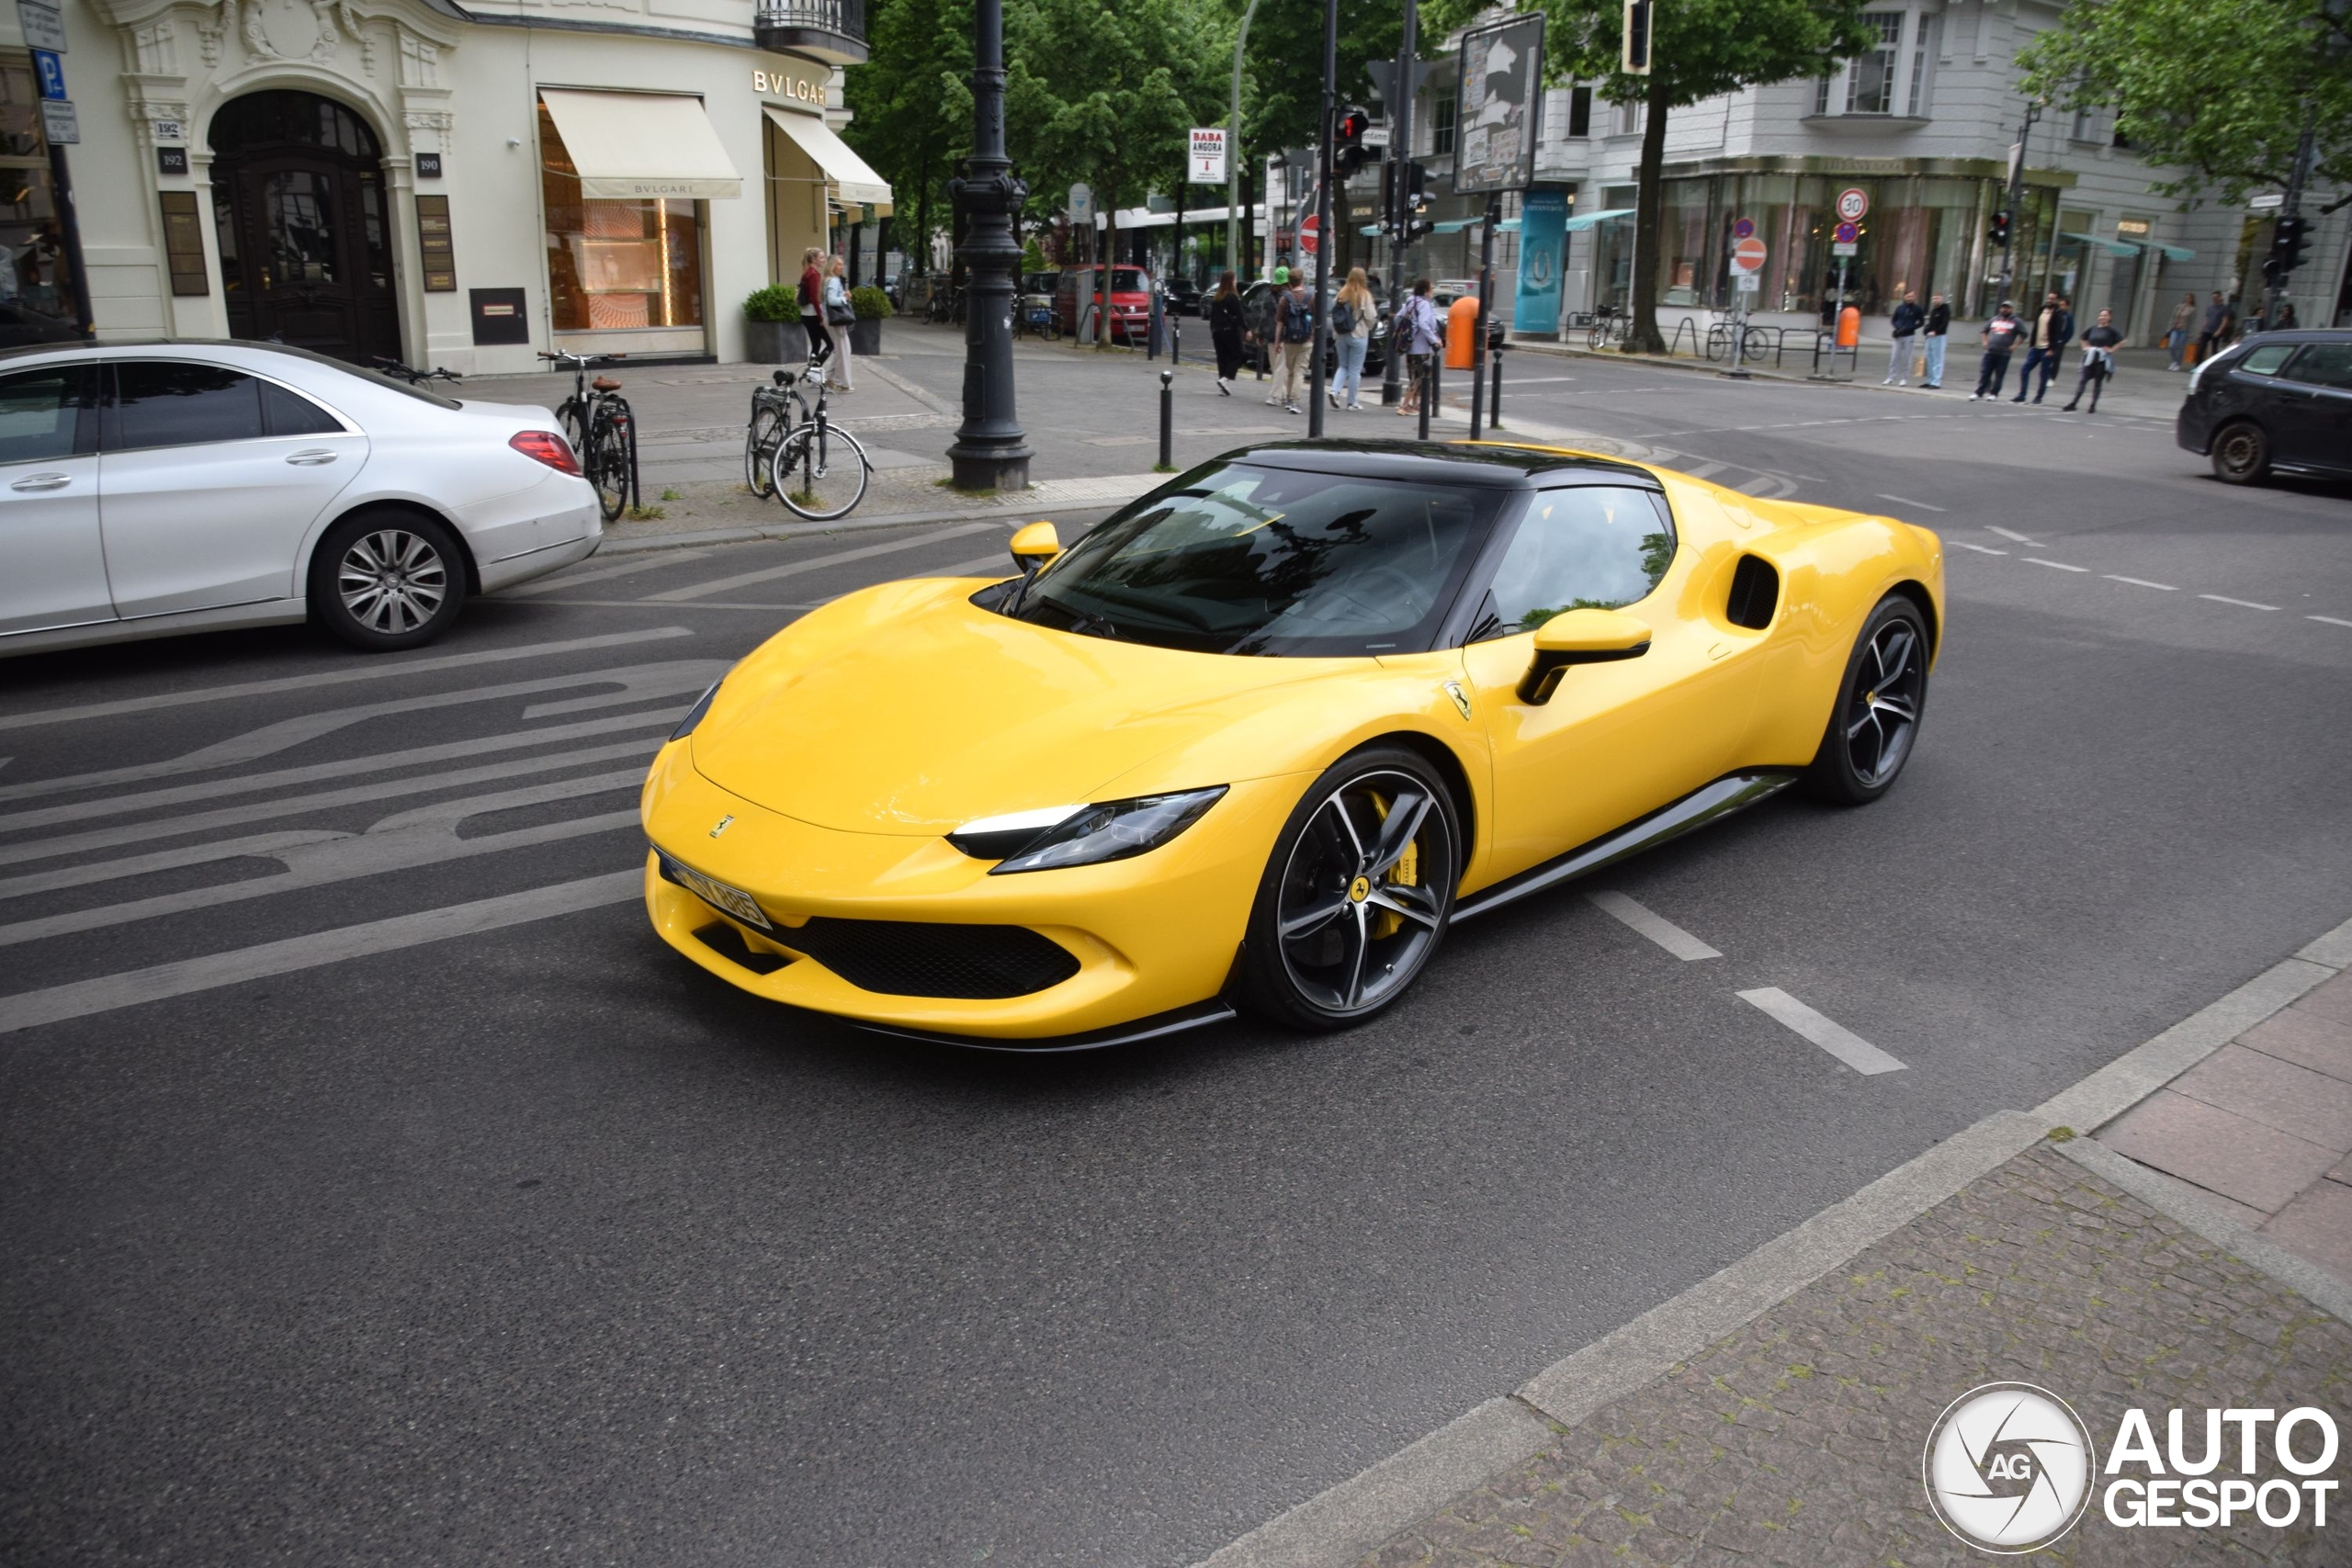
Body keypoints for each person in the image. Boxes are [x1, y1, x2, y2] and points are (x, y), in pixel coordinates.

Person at [2012, 290, 2072, 403]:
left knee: (2043, 374)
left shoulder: (2058, 315)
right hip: (2036, 347)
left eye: (2053, 299)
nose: (2050, 300)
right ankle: (2022, 394)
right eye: (2049, 298)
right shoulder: (2041, 310)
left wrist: (2052, 349)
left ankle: (2039, 397)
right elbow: (2036, 328)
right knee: (2025, 370)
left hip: (2047, 349)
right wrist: (2032, 344)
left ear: (2057, 301)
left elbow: (2057, 333)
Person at [2061, 309, 2125, 412]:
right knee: (2083, 380)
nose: (2102, 317)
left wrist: (2112, 349)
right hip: (2090, 357)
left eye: (2105, 315)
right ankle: (2074, 402)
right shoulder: (2093, 329)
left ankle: (2093, 405)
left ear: (2109, 318)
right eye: (2101, 315)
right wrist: (2085, 347)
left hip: (2101, 359)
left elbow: (2122, 341)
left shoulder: (2111, 330)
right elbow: (2083, 338)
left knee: (2097, 382)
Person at [1329, 266, 1374, 411]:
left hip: (1341, 334)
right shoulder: (1365, 295)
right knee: (1355, 370)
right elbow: (1371, 317)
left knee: (1343, 366)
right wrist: (1368, 326)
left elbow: (1334, 313)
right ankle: (1352, 402)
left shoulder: (1341, 294)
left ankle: (1334, 391)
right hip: (1359, 334)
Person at [1396, 277, 1442, 418]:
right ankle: (1404, 406)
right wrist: (1434, 339)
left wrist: (1408, 330)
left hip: (1409, 344)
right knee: (1418, 378)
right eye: (1431, 288)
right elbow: (1423, 323)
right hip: (1421, 346)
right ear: (1426, 291)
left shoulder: (1410, 302)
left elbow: (1397, 318)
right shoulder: (1425, 305)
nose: (1433, 291)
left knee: (1413, 375)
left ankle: (1414, 405)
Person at [1272, 270, 1313, 414]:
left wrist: (1278, 342)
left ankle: (1289, 400)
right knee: (1300, 371)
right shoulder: (1310, 297)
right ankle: (1294, 401)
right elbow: (1316, 319)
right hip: (1306, 339)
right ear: (1301, 280)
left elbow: (1279, 323)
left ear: (1289, 282)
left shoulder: (1285, 299)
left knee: (1290, 370)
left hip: (1289, 340)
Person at [1971, 301, 2023, 400]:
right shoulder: (1994, 319)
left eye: (2007, 308)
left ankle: (1994, 393)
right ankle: (1979, 392)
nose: (2004, 309)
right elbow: (1984, 331)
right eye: (2003, 307)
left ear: (2011, 309)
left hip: (2004, 353)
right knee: (1985, 372)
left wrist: (2015, 346)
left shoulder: (2015, 321)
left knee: (1999, 374)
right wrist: (1985, 342)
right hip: (1990, 351)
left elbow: (2024, 334)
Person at [1207, 271, 1246, 394]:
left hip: (1217, 331)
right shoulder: (1232, 297)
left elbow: (1212, 317)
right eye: (1235, 279)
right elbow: (1240, 316)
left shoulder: (1217, 298)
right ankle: (1226, 378)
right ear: (1231, 281)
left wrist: (1212, 330)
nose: (1236, 282)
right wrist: (1247, 329)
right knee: (1238, 355)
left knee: (1222, 357)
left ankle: (1223, 383)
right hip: (1230, 330)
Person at [821, 254, 855, 391]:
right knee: (844, 351)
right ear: (832, 266)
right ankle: (842, 383)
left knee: (842, 350)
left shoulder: (827, 280)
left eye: (842, 264)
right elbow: (832, 300)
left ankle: (830, 378)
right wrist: (845, 298)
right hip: (837, 320)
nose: (842, 267)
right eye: (839, 264)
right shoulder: (834, 281)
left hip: (830, 319)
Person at [797, 247, 832, 375]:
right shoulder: (813, 275)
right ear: (813, 259)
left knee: (816, 345)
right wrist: (821, 317)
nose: (824, 260)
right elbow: (815, 298)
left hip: (806, 314)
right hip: (813, 315)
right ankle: (814, 369)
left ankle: (811, 370)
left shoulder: (806, 272)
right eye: (821, 258)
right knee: (831, 343)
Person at [1885, 290, 1923, 385]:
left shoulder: (1918, 309)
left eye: (1912, 296)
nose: (1910, 298)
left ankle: (1904, 378)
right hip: (1898, 335)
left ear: (1914, 297)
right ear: (1904, 297)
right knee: (1894, 357)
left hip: (1909, 336)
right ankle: (1891, 377)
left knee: (1907, 358)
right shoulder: (1900, 308)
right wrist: (1897, 328)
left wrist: (1911, 328)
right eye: (1908, 296)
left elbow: (1921, 322)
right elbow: (1893, 320)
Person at [1921, 293, 1951, 389]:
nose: (1935, 300)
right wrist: (1927, 331)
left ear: (1941, 299)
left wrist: (1937, 331)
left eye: (1937, 298)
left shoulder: (1945, 310)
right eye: (1933, 298)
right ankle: (1930, 380)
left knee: (1937, 359)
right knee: (1930, 358)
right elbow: (1931, 323)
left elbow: (1944, 323)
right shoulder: (1933, 310)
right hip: (1930, 336)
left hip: (1939, 336)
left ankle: (1936, 382)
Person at [2195, 291, 2233, 365]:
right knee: (2201, 349)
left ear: (2220, 297)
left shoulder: (2224, 308)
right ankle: (2197, 365)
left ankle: (2213, 365)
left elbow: (2224, 321)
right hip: (2207, 331)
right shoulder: (2210, 308)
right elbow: (2206, 319)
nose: (2214, 299)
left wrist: (2219, 331)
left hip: (2216, 331)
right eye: (2212, 298)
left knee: (2214, 350)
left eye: (2215, 297)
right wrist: (2202, 329)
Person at [2165, 293, 2197, 369]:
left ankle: (2178, 364)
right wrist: (2169, 328)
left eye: (2189, 298)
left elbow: (2192, 322)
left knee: (2180, 347)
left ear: (2192, 299)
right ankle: (2174, 361)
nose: (2187, 299)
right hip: (2175, 328)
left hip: (2184, 330)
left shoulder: (2192, 309)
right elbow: (2173, 317)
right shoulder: (2179, 306)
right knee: (2172, 345)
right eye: (2186, 298)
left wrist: (2190, 332)